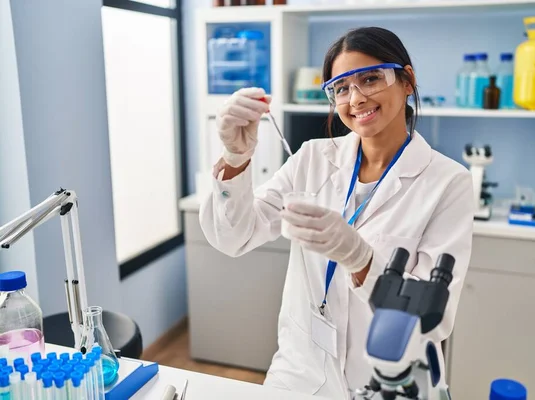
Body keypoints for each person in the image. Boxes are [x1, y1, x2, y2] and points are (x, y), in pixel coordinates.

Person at [199, 26, 474, 399]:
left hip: (387, 381)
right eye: (341, 88)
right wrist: (235, 160)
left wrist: (361, 260)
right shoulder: (311, 159)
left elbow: (432, 322)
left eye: (371, 79)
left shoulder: (448, 182)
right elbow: (235, 236)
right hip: (299, 373)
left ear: (407, 81)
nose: (356, 98)